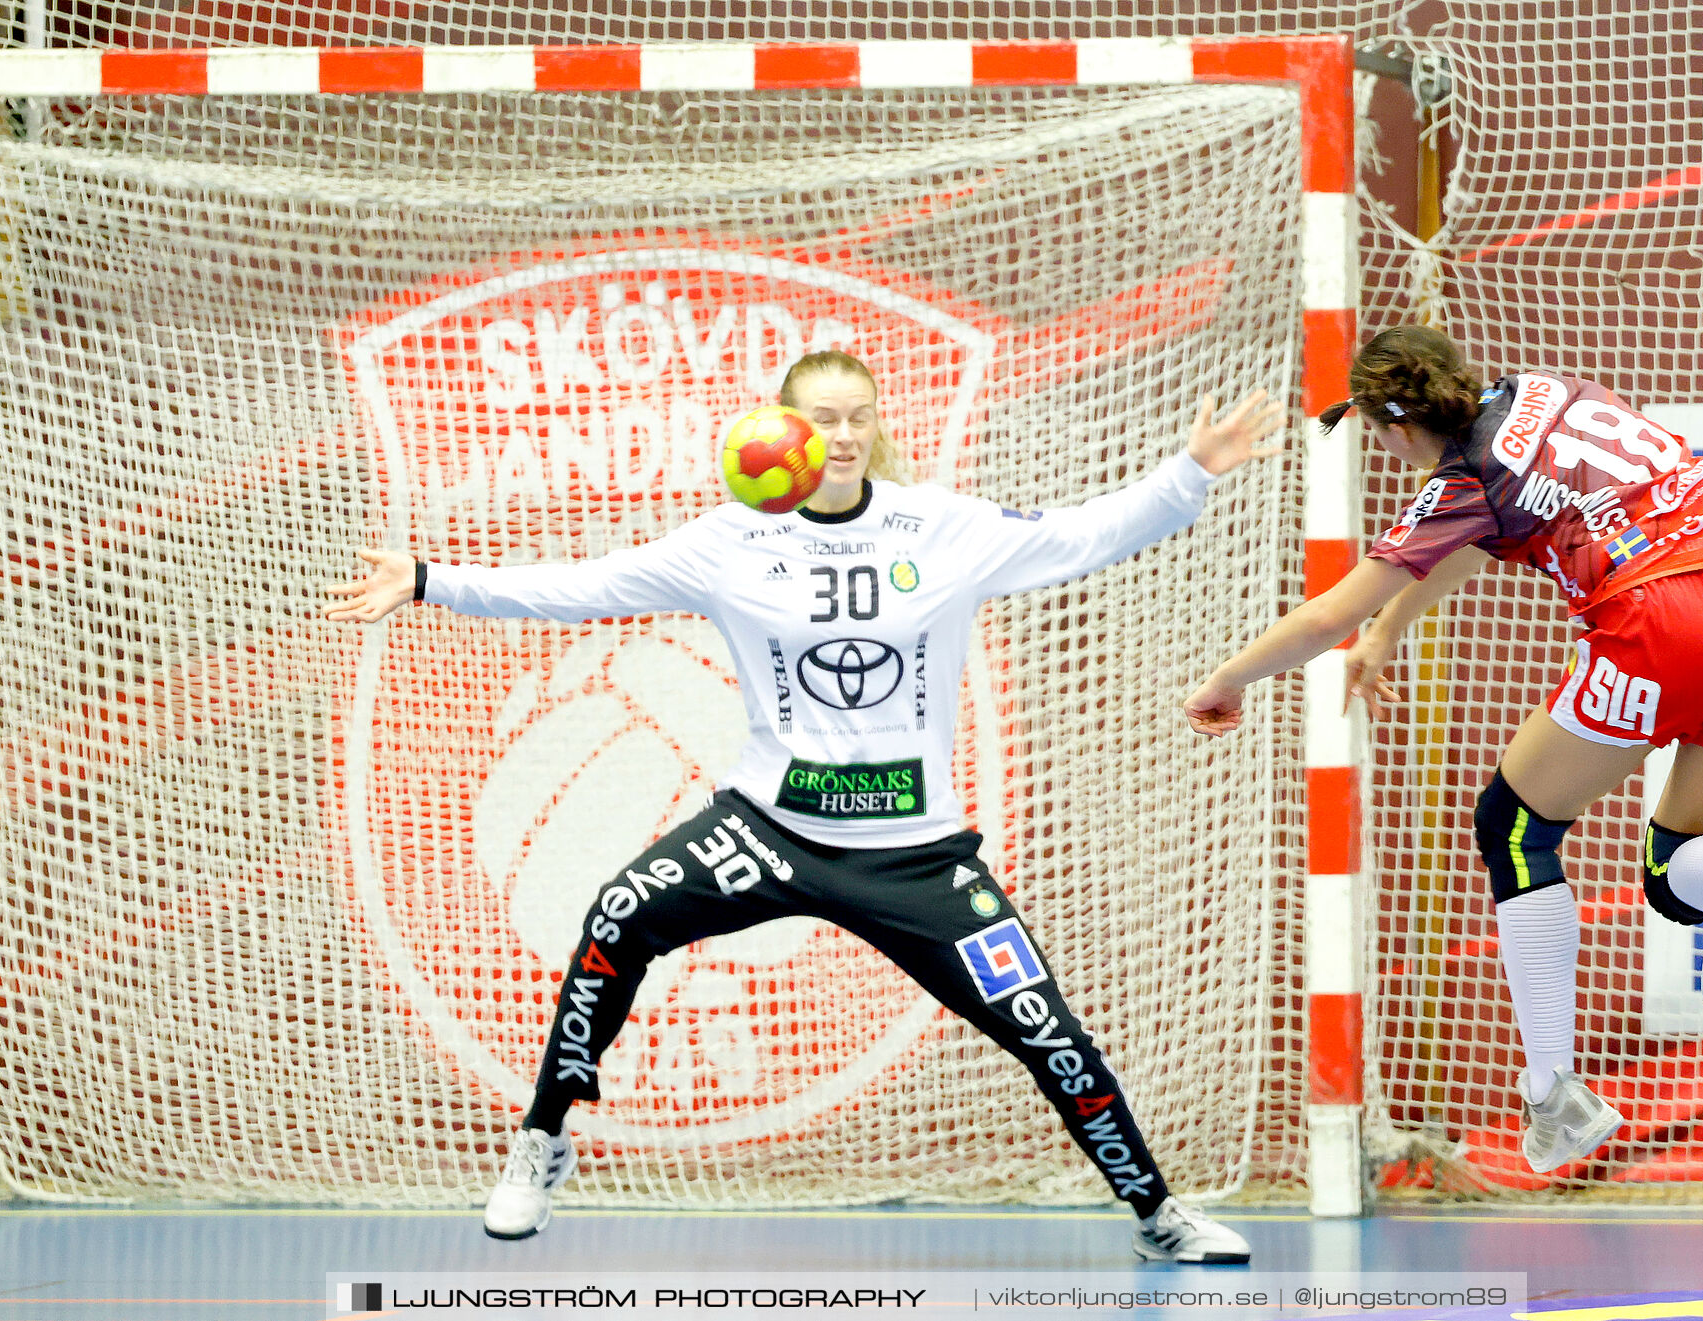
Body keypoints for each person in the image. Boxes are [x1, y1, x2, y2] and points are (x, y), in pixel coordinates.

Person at [326, 349, 1281, 1261]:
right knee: (618, 913)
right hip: (769, 833)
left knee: (1049, 1034)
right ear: (784, 427)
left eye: (860, 417)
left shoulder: (939, 527)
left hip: (919, 859)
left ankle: (1156, 1211)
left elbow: (1084, 535)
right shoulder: (731, 539)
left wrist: (1188, 473)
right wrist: (426, 580)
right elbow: (586, 587)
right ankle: (543, 1138)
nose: (844, 434)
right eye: (823, 418)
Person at [1184, 326, 1703, 1175]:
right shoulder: (1549, 389)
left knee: (1513, 824)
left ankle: (1554, 1088)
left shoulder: (1464, 477)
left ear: (1396, 431)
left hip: (1656, 621)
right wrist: (1391, 629)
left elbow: (1329, 612)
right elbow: (1466, 541)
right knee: (1676, 875)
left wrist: (1228, 678)